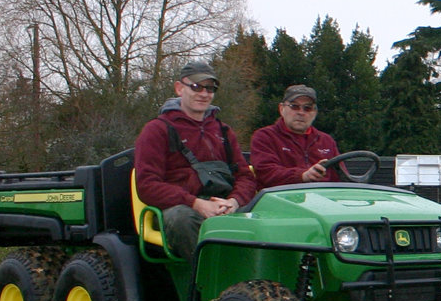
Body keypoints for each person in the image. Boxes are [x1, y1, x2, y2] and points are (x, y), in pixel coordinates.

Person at [133, 60, 257, 259]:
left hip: (224, 204)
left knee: (270, 210)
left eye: (210, 88)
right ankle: (207, 284)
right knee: (183, 218)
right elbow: (147, 185)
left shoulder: (224, 131)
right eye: (196, 86)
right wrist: (196, 203)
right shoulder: (156, 130)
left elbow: (245, 177)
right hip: (181, 209)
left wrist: (234, 202)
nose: (204, 94)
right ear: (179, 88)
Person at [250, 84, 344, 188]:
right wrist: (302, 176)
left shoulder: (327, 141)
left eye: (307, 108)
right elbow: (266, 173)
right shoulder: (265, 137)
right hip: (280, 199)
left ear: (315, 112)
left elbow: (341, 179)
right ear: (281, 109)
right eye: (294, 106)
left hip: (323, 199)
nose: (301, 112)